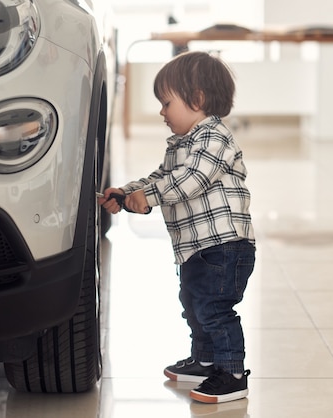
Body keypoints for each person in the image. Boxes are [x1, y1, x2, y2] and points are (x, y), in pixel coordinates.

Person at [99, 51, 256, 404]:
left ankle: (232, 374)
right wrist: (126, 193)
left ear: (197, 100)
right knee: (194, 303)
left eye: (166, 102)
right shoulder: (182, 144)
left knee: (214, 309)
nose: (161, 112)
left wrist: (149, 196)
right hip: (195, 247)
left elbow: (191, 181)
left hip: (224, 246)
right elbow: (161, 178)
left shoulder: (215, 138)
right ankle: (205, 360)